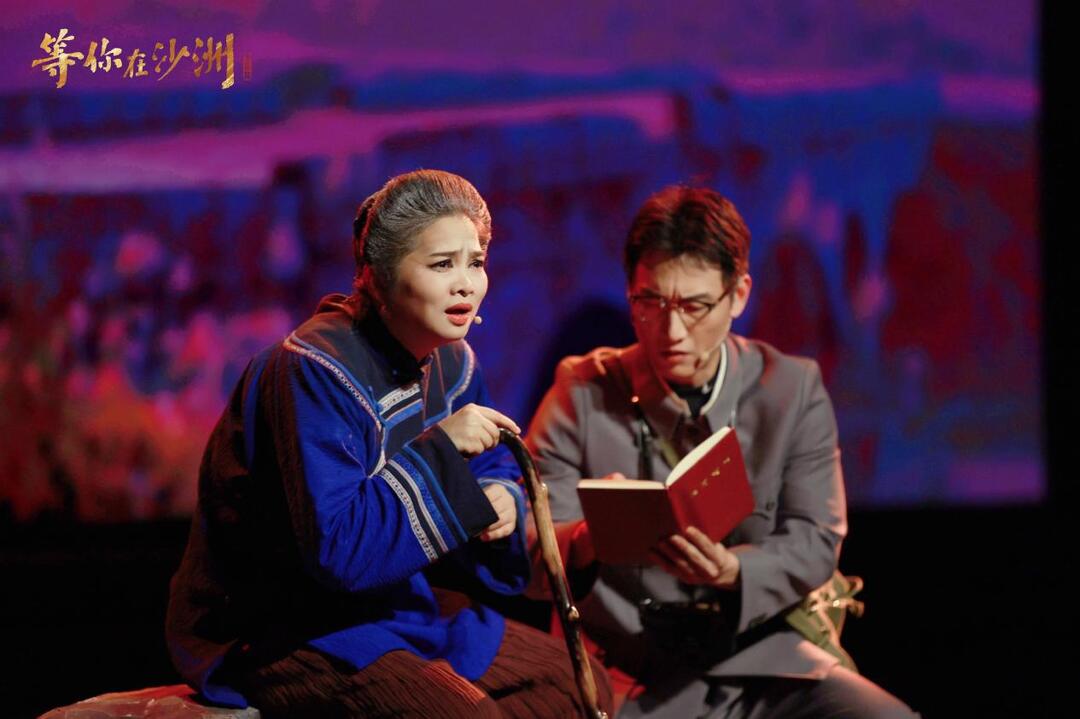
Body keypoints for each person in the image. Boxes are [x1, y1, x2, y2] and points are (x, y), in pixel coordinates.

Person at [166, 170, 613, 718]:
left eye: (475, 262)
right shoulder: (313, 370)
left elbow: (493, 466)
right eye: (442, 265)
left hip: (402, 607)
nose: (466, 284)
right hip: (290, 625)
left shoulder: (454, 363)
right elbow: (336, 548)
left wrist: (500, 499)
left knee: (575, 686)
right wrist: (441, 450)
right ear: (376, 276)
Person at [525, 186, 917, 718]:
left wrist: (734, 570)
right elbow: (526, 551)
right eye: (650, 303)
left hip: (766, 659)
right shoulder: (580, 392)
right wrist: (590, 537)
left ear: (738, 295)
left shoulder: (791, 389)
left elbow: (815, 539)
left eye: (694, 306)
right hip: (630, 672)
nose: (671, 331)